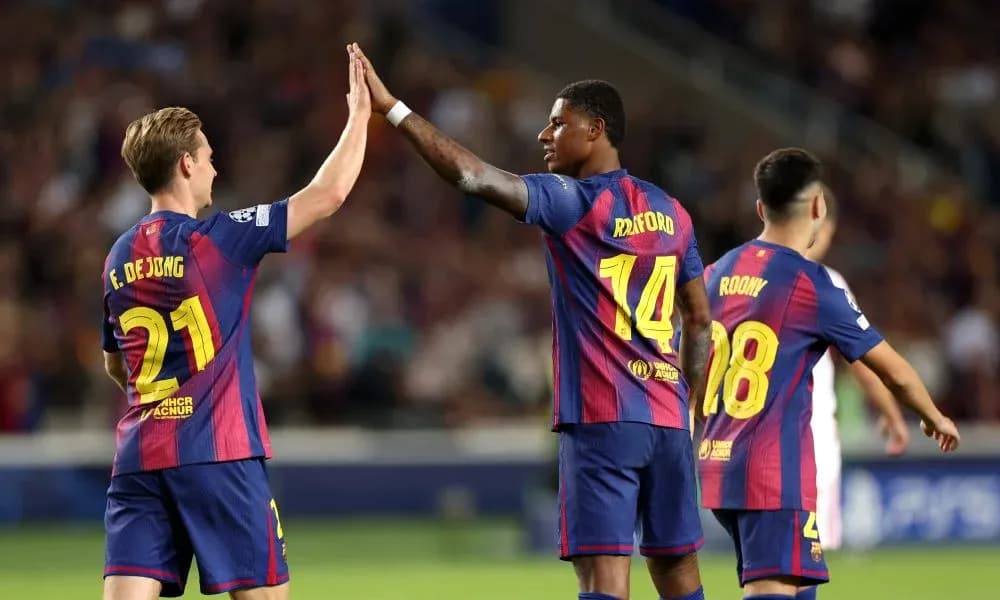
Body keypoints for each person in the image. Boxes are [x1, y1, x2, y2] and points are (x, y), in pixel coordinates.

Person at [355, 46, 711, 600]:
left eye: (558, 123)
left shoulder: (571, 201)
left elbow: (472, 176)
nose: (545, 134)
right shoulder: (673, 212)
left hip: (602, 418)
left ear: (595, 130)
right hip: (667, 420)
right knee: (679, 573)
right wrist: (690, 403)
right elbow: (700, 319)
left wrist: (394, 110)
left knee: (603, 577)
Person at [100, 45, 370, 599]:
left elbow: (116, 363)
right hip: (218, 453)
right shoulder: (218, 238)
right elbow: (328, 194)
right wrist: (360, 115)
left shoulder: (118, 256)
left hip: (139, 458)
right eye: (209, 156)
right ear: (186, 164)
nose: (215, 168)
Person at [696, 148, 960, 600]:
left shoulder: (717, 271)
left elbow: (690, 356)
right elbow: (891, 370)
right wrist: (933, 416)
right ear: (818, 206)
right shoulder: (811, 283)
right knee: (772, 588)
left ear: (760, 208)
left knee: (799, 584)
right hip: (772, 471)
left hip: (718, 459)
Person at [803, 187, 909, 561]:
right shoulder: (825, 281)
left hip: (747, 439)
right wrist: (892, 412)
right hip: (809, 438)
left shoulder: (737, 272)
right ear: (821, 225)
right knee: (808, 559)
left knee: (762, 561)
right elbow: (862, 361)